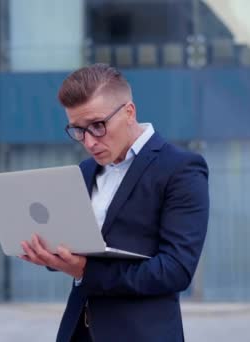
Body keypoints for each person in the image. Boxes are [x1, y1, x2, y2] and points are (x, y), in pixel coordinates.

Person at [19, 63, 209, 342]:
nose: (89, 141)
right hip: (77, 332)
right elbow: (78, 250)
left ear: (129, 112)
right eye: (78, 130)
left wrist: (85, 271)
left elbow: (176, 270)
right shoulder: (85, 170)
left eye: (97, 126)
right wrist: (51, 255)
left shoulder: (181, 169)